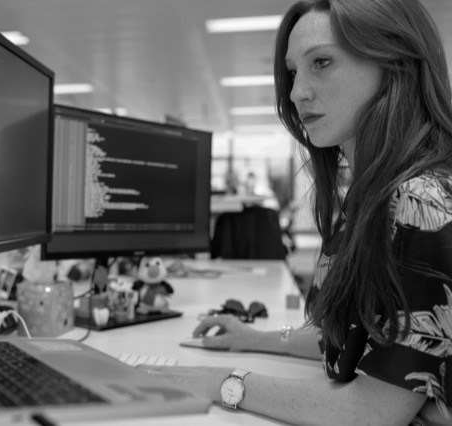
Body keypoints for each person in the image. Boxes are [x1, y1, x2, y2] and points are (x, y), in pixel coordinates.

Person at [140, 0, 452, 424]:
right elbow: (359, 341)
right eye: (292, 72)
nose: (296, 92)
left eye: (321, 62)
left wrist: (219, 382)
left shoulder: (421, 202)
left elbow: (372, 411)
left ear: (394, 63)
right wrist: (256, 338)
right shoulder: (371, 196)